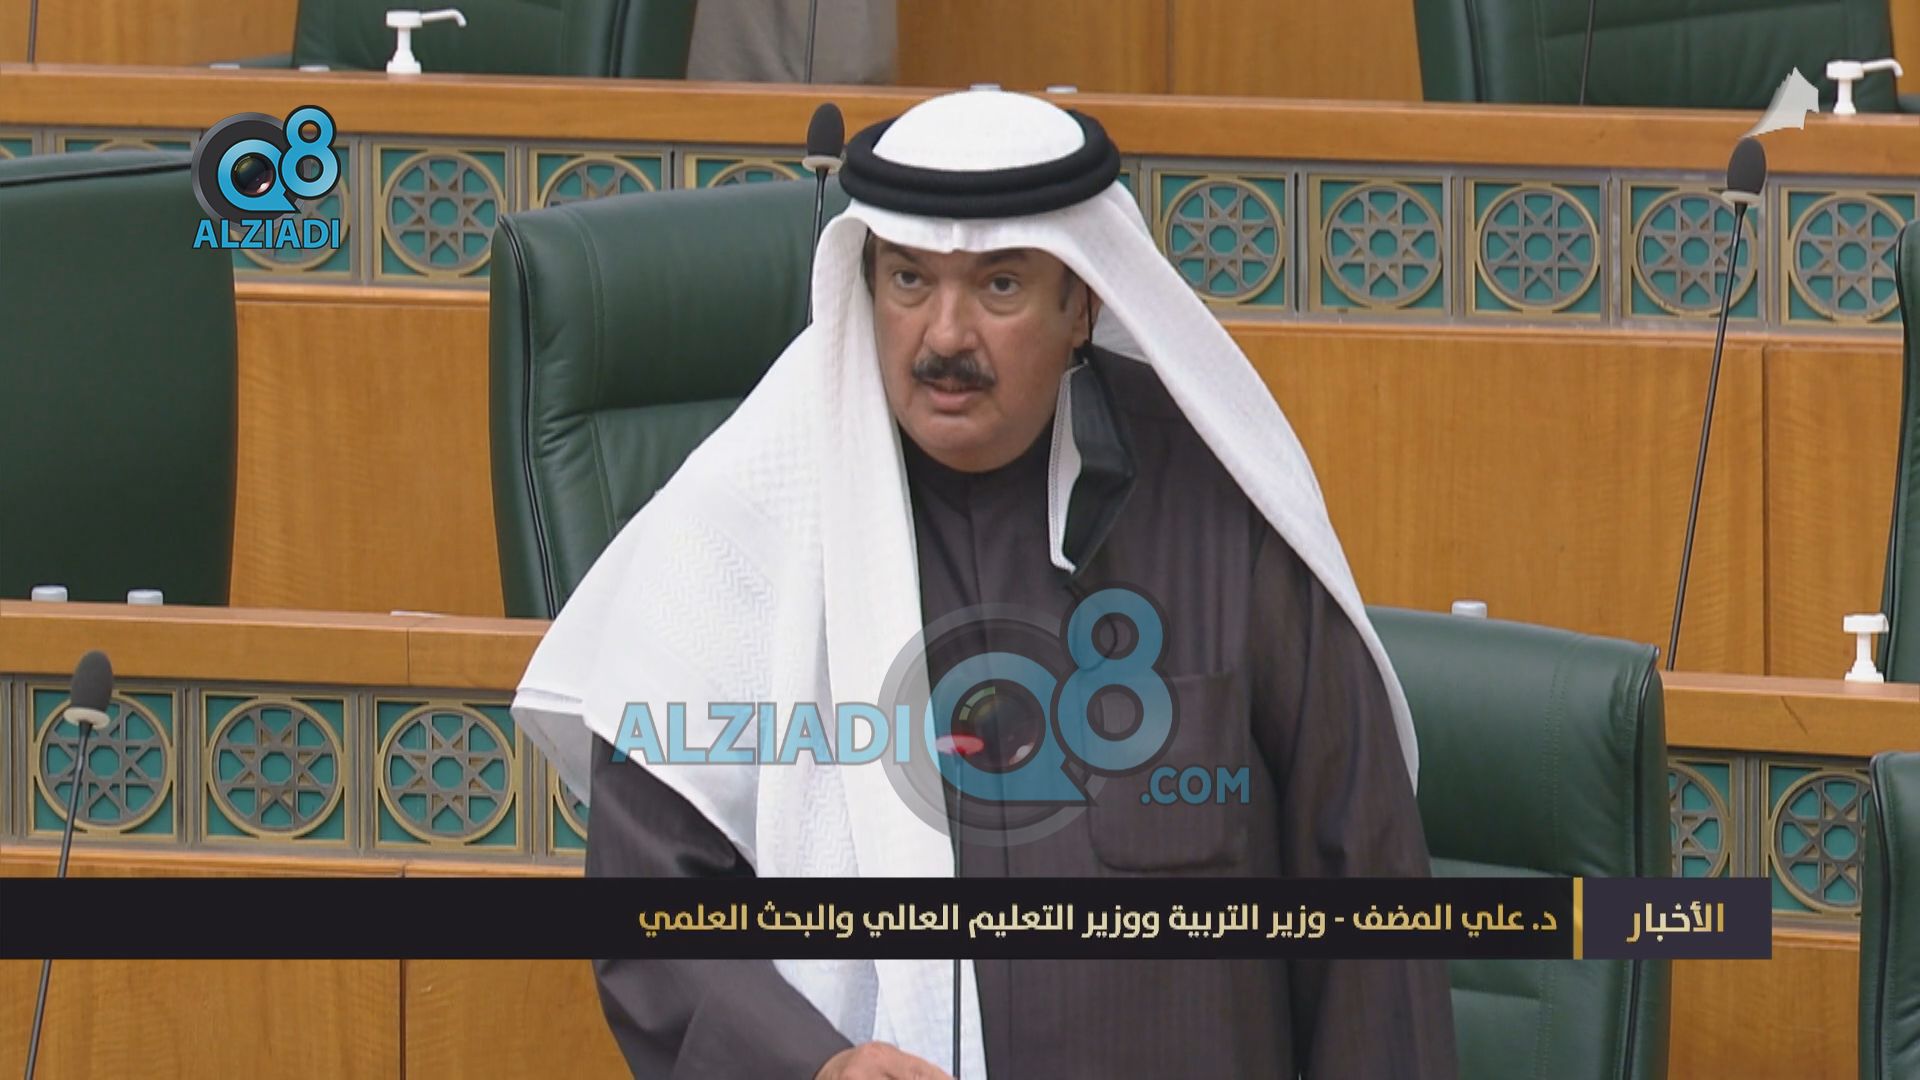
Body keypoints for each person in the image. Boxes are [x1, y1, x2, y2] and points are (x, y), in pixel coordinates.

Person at [512, 90, 1457, 1079]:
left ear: (1082, 301)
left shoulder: (1222, 508)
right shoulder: (748, 516)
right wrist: (812, 1065)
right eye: (908, 280)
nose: (945, 337)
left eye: (999, 286)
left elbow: (1365, 891)